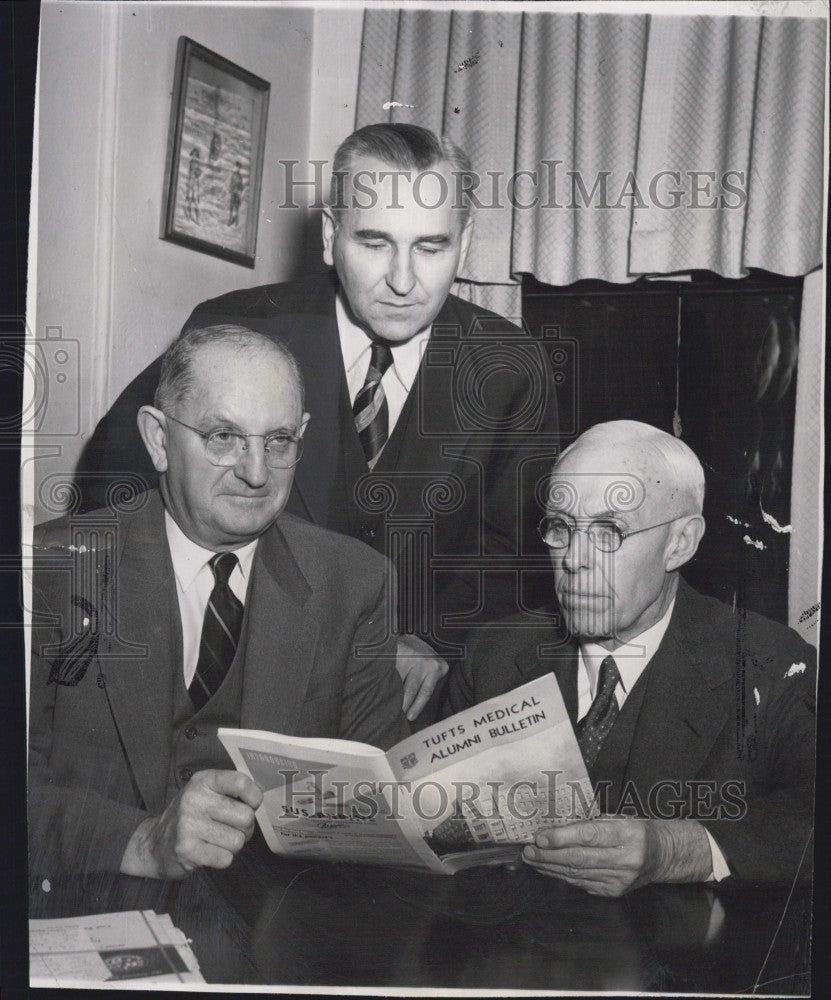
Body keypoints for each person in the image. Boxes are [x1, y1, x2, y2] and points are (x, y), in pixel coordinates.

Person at [75, 122, 560, 721]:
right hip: (239, 686)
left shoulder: (512, 365)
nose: (403, 282)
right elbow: (113, 469)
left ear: (466, 241)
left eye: (431, 248)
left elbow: (517, 547)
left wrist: (437, 638)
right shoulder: (240, 327)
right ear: (331, 236)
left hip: (414, 697)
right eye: (375, 243)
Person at [28, 325, 409, 881]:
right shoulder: (51, 570)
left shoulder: (355, 582)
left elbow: (380, 810)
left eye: (278, 441)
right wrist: (139, 841)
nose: (257, 474)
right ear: (158, 439)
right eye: (223, 437)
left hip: (271, 921)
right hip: (87, 900)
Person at [446, 420, 815, 895]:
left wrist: (679, 849)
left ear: (680, 543)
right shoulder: (494, 656)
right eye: (561, 527)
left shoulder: (770, 665)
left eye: (608, 530)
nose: (574, 558)